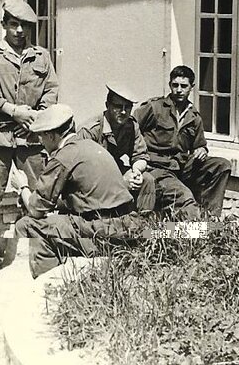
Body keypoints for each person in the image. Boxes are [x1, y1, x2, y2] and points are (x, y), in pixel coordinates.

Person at [0, 0, 59, 276]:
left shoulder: (41, 57)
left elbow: (51, 93)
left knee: (42, 192)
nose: (20, 31)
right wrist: (13, 112)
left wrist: (33, 121)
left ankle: (42, 249)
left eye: (25, 26)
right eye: (14, 24)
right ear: (4, 25)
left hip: (31, 138)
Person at [13, 105, 142, 278]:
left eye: (42, 137)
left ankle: (49, 284)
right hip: (128, 226)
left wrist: (22, 187)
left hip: (104, 234)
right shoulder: (91, 145)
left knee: (27, 226)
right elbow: (86, 196)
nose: (42, 144)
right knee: (58, 222)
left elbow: (35, 209)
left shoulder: (63, 157)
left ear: (51, 135)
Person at [134, 65, 231, 218]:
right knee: (184, 197)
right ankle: (190, 232)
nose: (179, 90)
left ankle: (210, 219)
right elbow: (131, 129)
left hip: (180, 166)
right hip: (157, 167)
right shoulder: (154, 108)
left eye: (184, 86)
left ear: (191, 87)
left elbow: (200, 145)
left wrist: (202, 150)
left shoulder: (194, 116)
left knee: (222, 165)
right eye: (175, 85)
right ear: (170, 85)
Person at [76, 84, 156, 213]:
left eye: (128, 107)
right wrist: (121, 181)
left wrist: (136, 172)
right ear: (107, 105)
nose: (124, 112)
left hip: (113, 172)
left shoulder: (131, 126)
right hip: (91, 180)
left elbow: (140, 155)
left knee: (147, 179)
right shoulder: (91, 130)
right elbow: (82, 171)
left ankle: (143, 224)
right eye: (118, 107)